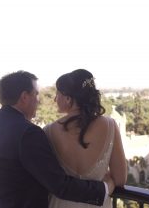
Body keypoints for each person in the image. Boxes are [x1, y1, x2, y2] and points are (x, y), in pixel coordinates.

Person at [0, 70, 114, 208]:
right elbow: (60, 185)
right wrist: (104, 189)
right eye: (36, 94)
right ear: (24, 97)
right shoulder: (28, 133)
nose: (38, 100)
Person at [44, 69, 127, 208]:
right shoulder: (110, 125)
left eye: (57, 93)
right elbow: (120, 179)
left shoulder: (49, 131)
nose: (55, 99)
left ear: (68, 98)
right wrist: (107, 184)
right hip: (98, 202)